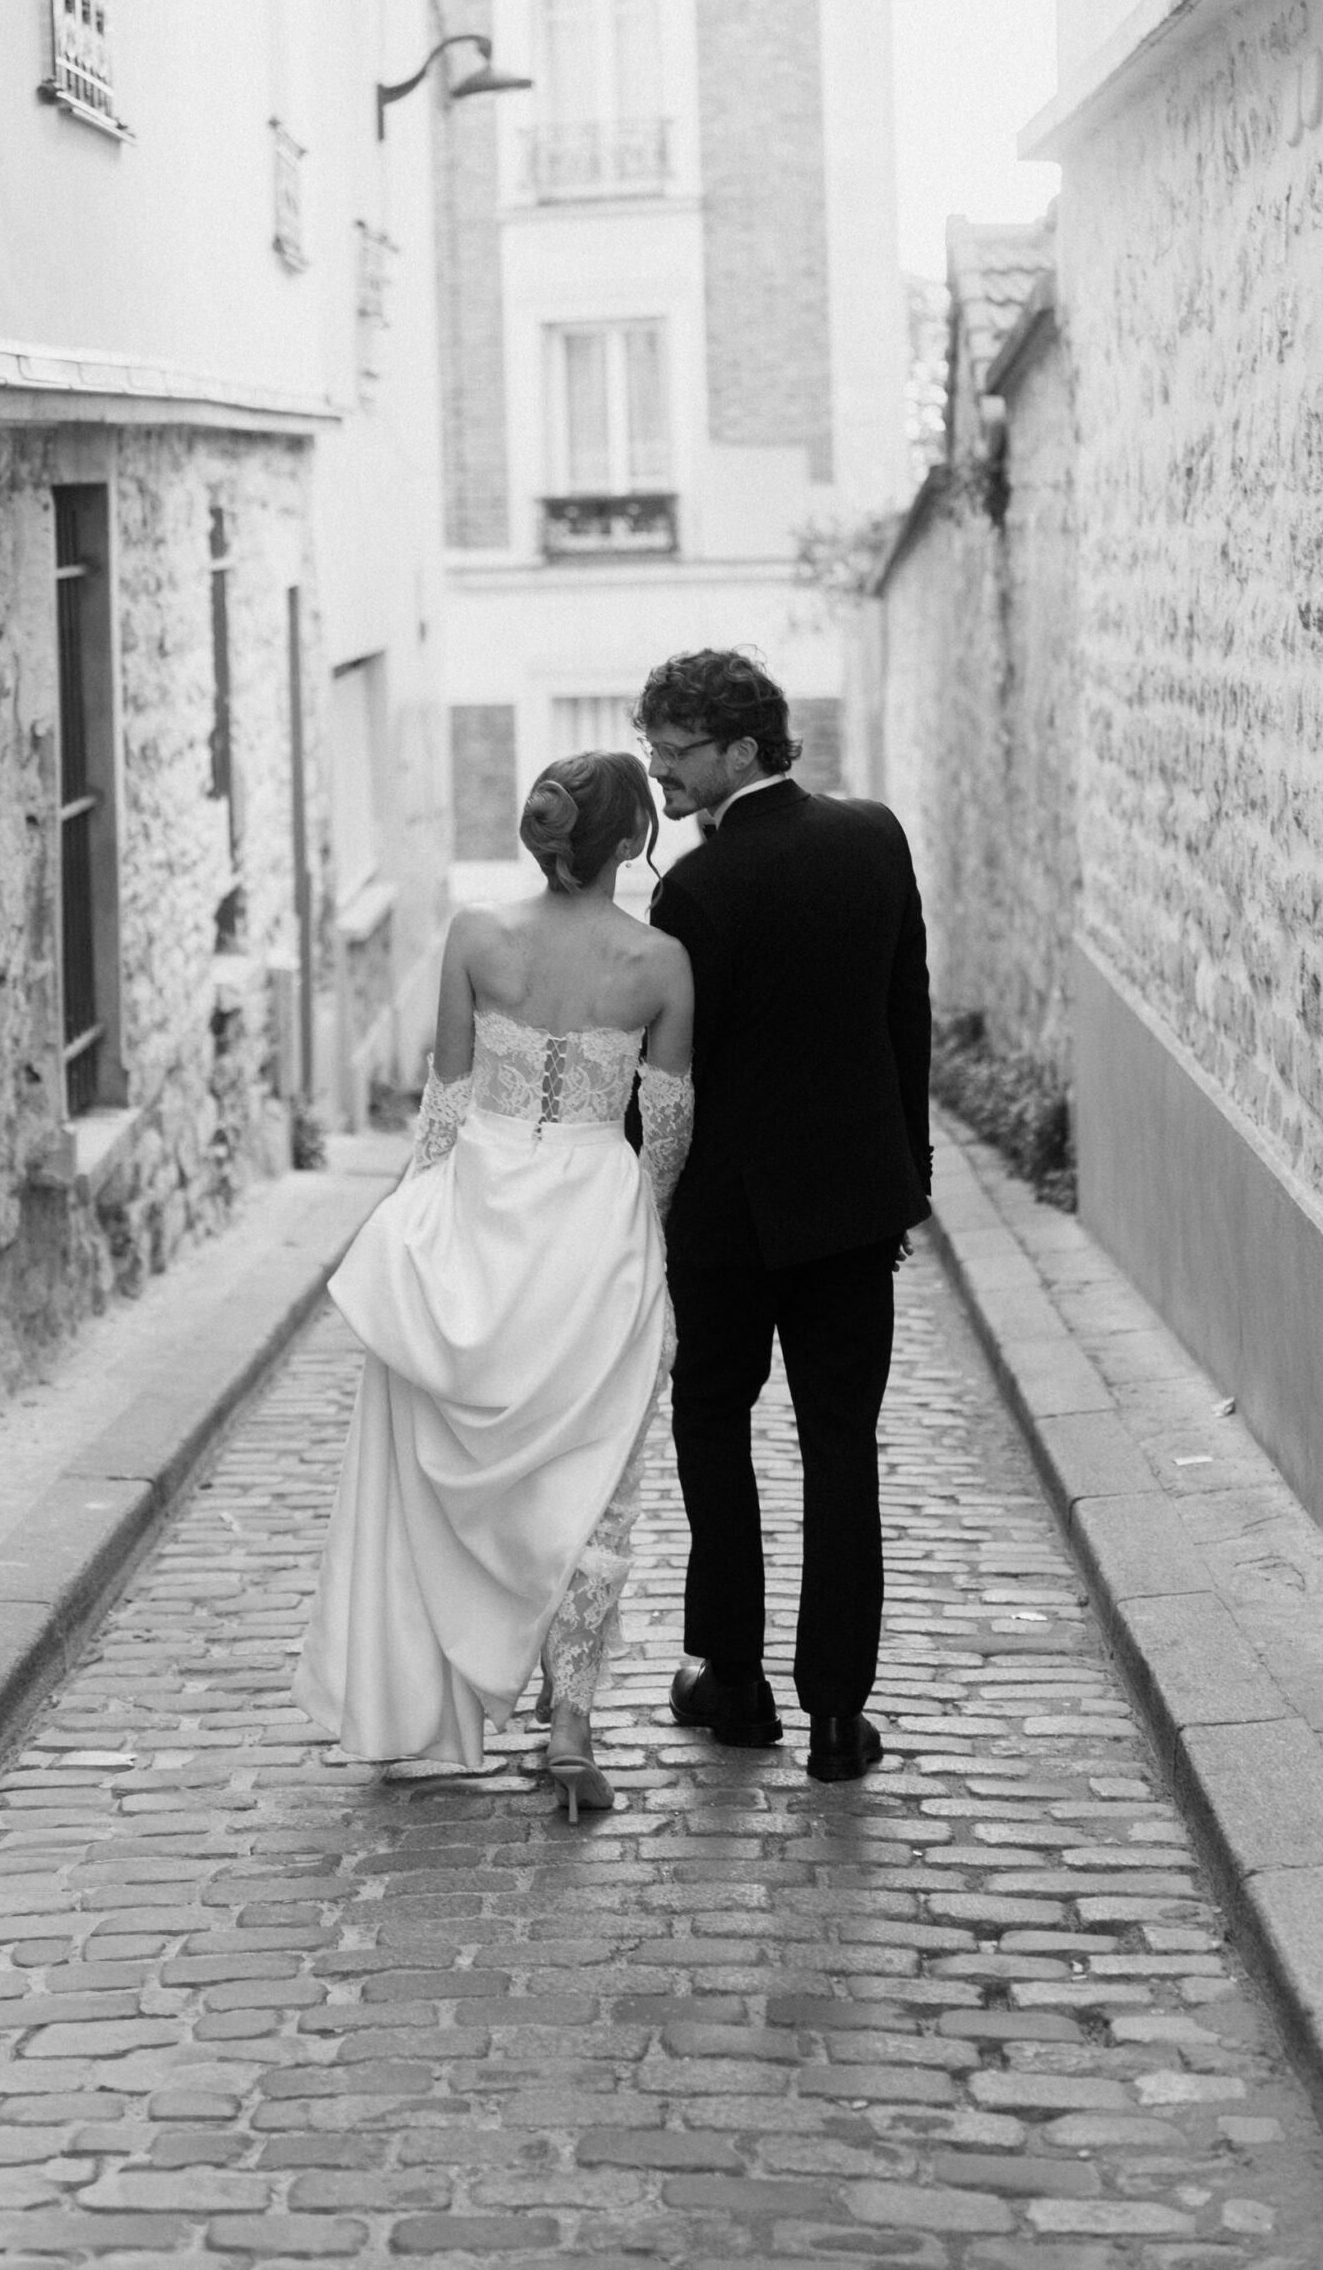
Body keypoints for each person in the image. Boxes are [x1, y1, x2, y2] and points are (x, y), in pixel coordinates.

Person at [293, 750, 694, 1822]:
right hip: (594, 1224)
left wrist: (421, 1221)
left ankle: (438, 1703)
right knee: (597, 1481)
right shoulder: (660, 964)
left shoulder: (477, 934)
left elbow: (447, 1098)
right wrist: (644, 1238)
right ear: (626, 842)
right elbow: (663, 1129)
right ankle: (572, 1726)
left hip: (482, 1202)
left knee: (443, 1472)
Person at [640, 649, 931, 1785]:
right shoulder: (875, 838)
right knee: (840, 1448)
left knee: (713, 1426)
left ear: (745, 749)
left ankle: (736, 1684)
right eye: (655, 745)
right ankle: (837, 1718)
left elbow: (678, 1074)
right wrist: (904, 1179)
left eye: (676, 749)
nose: (657, 769)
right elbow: (903, 1014)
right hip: (856, 1209)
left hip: (727, 1219)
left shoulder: (698, 890)